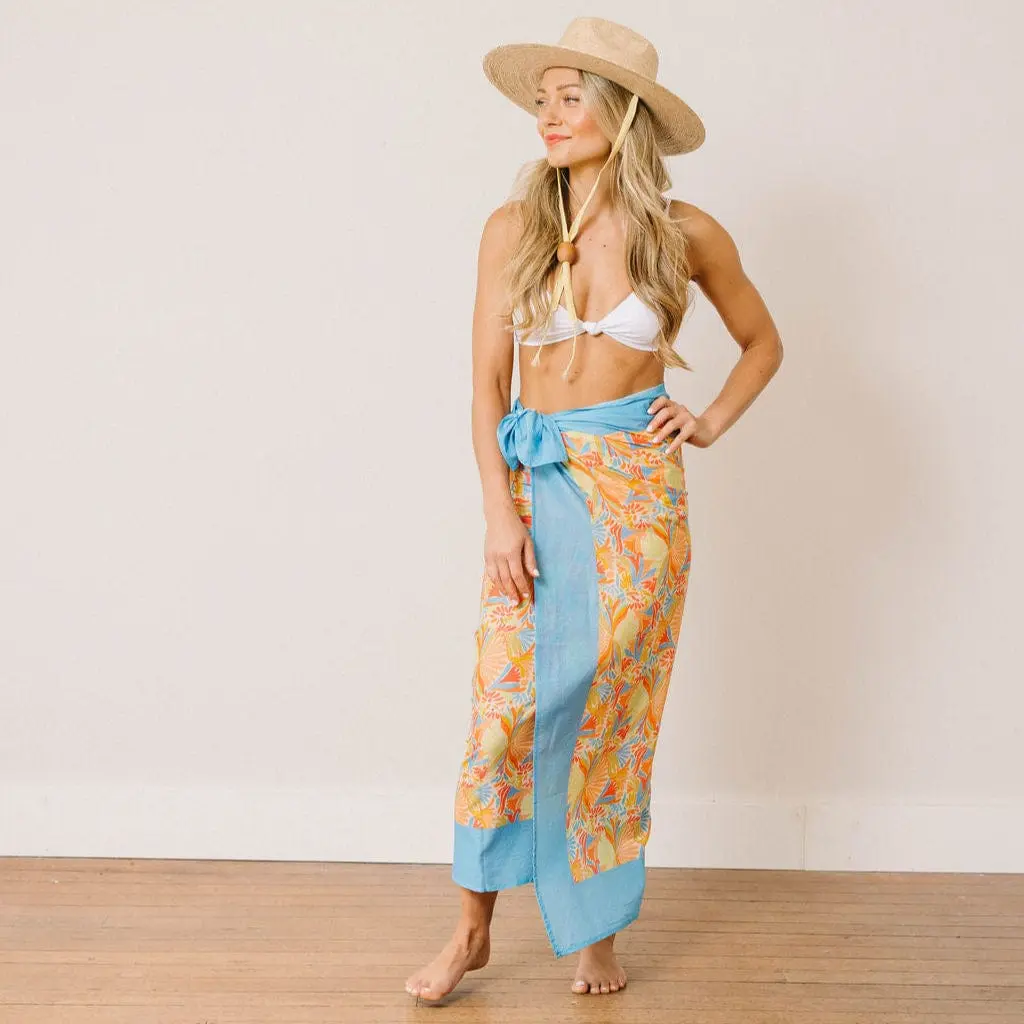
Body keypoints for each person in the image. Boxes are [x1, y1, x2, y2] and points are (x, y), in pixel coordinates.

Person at [405, 16, 783, 1002]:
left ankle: (596, 929)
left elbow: (763, 342)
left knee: (612, 711)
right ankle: (472, 928)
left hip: (638, 501)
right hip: (535, 485)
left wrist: (708, 420)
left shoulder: (685, 233)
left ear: (620, 114)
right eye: (543, 100)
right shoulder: (511, 228)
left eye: (570, 99)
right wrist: (499, 516)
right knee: (503, 710)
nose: (549, 116)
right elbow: (486, 387)